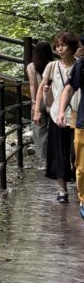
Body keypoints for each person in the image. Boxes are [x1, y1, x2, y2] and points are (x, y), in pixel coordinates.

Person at [43, 31, 78, 202]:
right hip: (58, 114)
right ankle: (62, 190)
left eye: (63, 45)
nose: (60, 49)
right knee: (59, 153)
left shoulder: (80, 65)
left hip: (78, 114)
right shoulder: (52, 67)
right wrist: (38, 107)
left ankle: (81, 189)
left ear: (72, 46)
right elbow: (44, 87)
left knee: (77, 154)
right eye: (57, 46)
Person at [56, 34, 84, 219]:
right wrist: (60, 112)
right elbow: (69, 88)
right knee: (81, 167)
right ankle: (83, 200)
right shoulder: (81, 65)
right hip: (83, 123)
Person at [29, 40, 55, 170]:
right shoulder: (54, 65)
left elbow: (33, 85)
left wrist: (34, 103)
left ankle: (44, 162)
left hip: (39, 101)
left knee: (39, 132)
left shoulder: (31, 66)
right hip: (53, 100)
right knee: (54, 130)